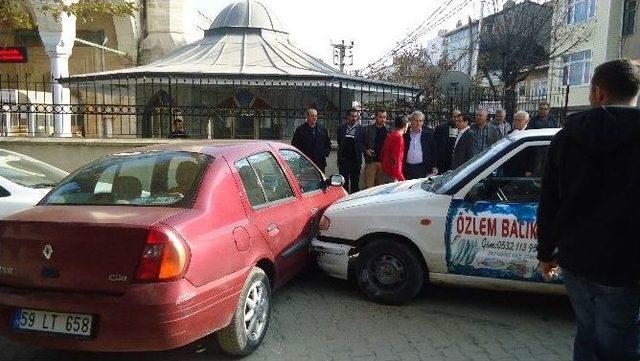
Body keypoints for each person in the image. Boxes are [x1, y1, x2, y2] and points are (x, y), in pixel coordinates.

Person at [537, 59, 640, 361]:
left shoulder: (566, 138)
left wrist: (546, 254)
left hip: (576, 260)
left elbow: (549, 202)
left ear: (597, 92)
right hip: (624, 267)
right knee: (618, 345)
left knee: (587, 334)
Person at [291, 108, 331, 172]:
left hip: (320, 163)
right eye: (312, 116)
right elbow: (295, 144)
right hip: (305, 162)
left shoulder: (322, 129)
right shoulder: (300, 130)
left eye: (316, 116)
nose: (314, 118)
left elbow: (327, 143)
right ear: (307, 116)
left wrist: (324, 153)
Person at [337, 108, 364, 193]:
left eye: (356, 116)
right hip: (344, 161)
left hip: (355, 161)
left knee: (355, 184)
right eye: (352, 116)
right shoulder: (341, 128)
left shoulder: (361, 129)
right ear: (348, 116)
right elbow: (339, 141)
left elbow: (363, 143)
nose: (354, 118)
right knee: (343, 183)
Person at [403, 110, 436, 180]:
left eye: (420, 121)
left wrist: (434, 166)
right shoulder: (405, 133)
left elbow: (434, 150)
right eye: (416, 121)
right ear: (411, 121)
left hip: (422, 168)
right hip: (407, 168)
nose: (418, 123)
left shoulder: (429, 133)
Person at [362, 109, 389, 188]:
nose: (382, 119)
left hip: (383, 163)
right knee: (369, 188)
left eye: (384, 117)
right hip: (371, 162)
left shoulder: (388, 130)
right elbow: (360, 143)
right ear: (376, 117)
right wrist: (366, 150)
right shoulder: (367, 129)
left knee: (380, 188)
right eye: (380, 117)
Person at [503, 111, 534, 177]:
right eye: (515, 120)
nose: (516, 122)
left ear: (526, 121)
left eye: (519, 120)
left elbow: (533, 154)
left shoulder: (530, 133)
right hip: (509, 167)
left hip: (522, 169)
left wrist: (530, 170)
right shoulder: (510, 132)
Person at [380, 115, 408, 182]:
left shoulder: (390, 135)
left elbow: (382, 153)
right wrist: (401, 178)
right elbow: (396, 159)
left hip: (386, 171)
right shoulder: (399, 138)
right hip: (393, 175)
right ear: (405, 125)